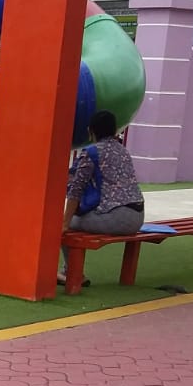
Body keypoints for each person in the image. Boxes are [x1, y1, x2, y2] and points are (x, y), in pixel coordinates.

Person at [60, 109, 145, 287]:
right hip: (137, 218)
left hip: (115, 218)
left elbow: (76, 190)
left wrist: (65, 223)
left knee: (62, 223)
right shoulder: (123, 151)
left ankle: (72, 272)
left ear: (91, 131)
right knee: (70, 220)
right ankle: (70, 271)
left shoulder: (92, 152)